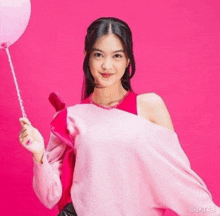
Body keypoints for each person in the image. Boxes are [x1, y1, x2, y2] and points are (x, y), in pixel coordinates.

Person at [18, 17, 220, 216]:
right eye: (98, 55)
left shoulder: (150, 106)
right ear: (86, 56)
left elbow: (179, 181)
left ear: (128, 60)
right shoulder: (70, 117)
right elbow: (50, 196)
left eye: (117, 56)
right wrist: (38, 154)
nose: (107, 65)